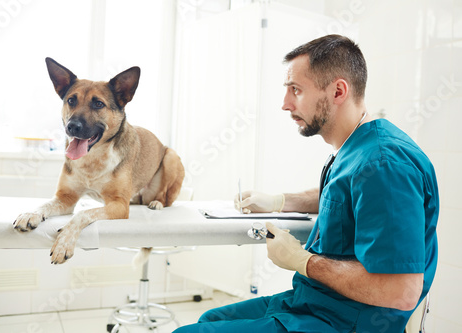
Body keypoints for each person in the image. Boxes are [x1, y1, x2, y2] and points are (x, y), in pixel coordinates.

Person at [174, 34, 439, 333]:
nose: (285, 104)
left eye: (296, 90)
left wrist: (303, 261)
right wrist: (279, 201)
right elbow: (345, 196)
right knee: (210, 320)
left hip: (346, 321)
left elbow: (400, 291)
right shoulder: (357, 148)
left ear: (338, 91)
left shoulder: (384, 164)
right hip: (315, 302)